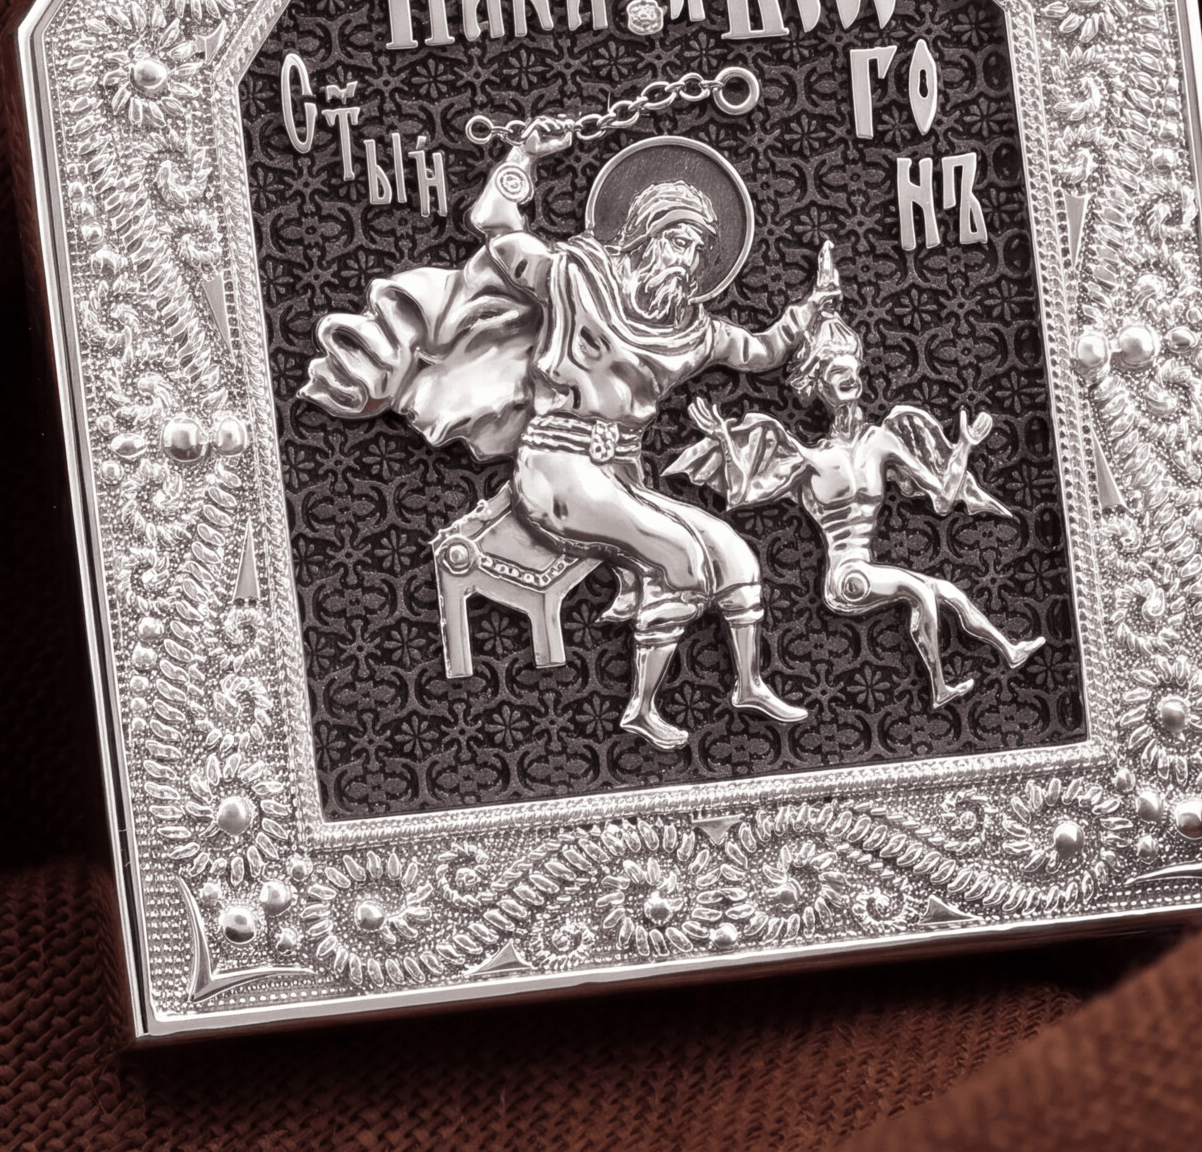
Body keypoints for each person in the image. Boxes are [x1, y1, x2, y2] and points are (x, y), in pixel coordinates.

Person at [302, 127, 823, 749]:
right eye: (678, 241)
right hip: (557, 469)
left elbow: (760, 351)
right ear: (645, 235)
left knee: (735, 556)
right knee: (682, 557)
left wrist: (809, 313)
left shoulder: (692, 330)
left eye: (699, 250)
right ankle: (641, 708)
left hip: (619, 474)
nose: (688, 261)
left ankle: (748, 685)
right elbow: (497, 227)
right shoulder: (574, 280)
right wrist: (523, 155)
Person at [668, 246, 1045, 708]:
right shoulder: (808, 458)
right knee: (921, 590)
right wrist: (726, 441)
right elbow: (745, 492)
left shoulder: (881, 442)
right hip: (846, 579)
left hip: (870, 568)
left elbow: (944, 498)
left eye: (852, 373)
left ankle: (1009, 649)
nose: (849, 380)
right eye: (836, 374)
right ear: (818, 386)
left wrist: (963, 445)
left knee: (947, 591)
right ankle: (940, 688)